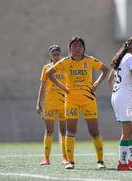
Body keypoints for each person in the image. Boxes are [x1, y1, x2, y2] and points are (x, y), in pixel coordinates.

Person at [46, 36, 109, 169]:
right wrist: (62, 87)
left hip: (88, 100)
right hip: (71, 100)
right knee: (71, 130)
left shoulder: (90, 60)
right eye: (74, 45)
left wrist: (96, 83)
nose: (77, 48)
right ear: (69, 48)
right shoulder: (65, 61)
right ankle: (70, 162)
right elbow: (49, 73)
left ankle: (100, 161)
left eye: (80, 45)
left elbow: (105, 69)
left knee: (94, 131)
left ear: (83, 48)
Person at [108, 36, 132, 171]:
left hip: (118, 98)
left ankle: (131, 161)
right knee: (127, 131)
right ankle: (123, 163)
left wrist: (115, 93)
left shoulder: (121, 59)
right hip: (124, 98)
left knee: (130, 129)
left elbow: (110, 80)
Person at [36, 44, 68, 165]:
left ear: (60, 55)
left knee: (63, 131)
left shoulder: (64, 67)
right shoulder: (46, 68)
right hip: (49, 103)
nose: (56, 57)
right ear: (50, 55)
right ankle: (46, 158)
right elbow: (42, 86)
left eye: (58, 54)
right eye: (54, 55)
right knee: (49, 130)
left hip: (63, 103)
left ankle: (65, 157)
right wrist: (38, 102)